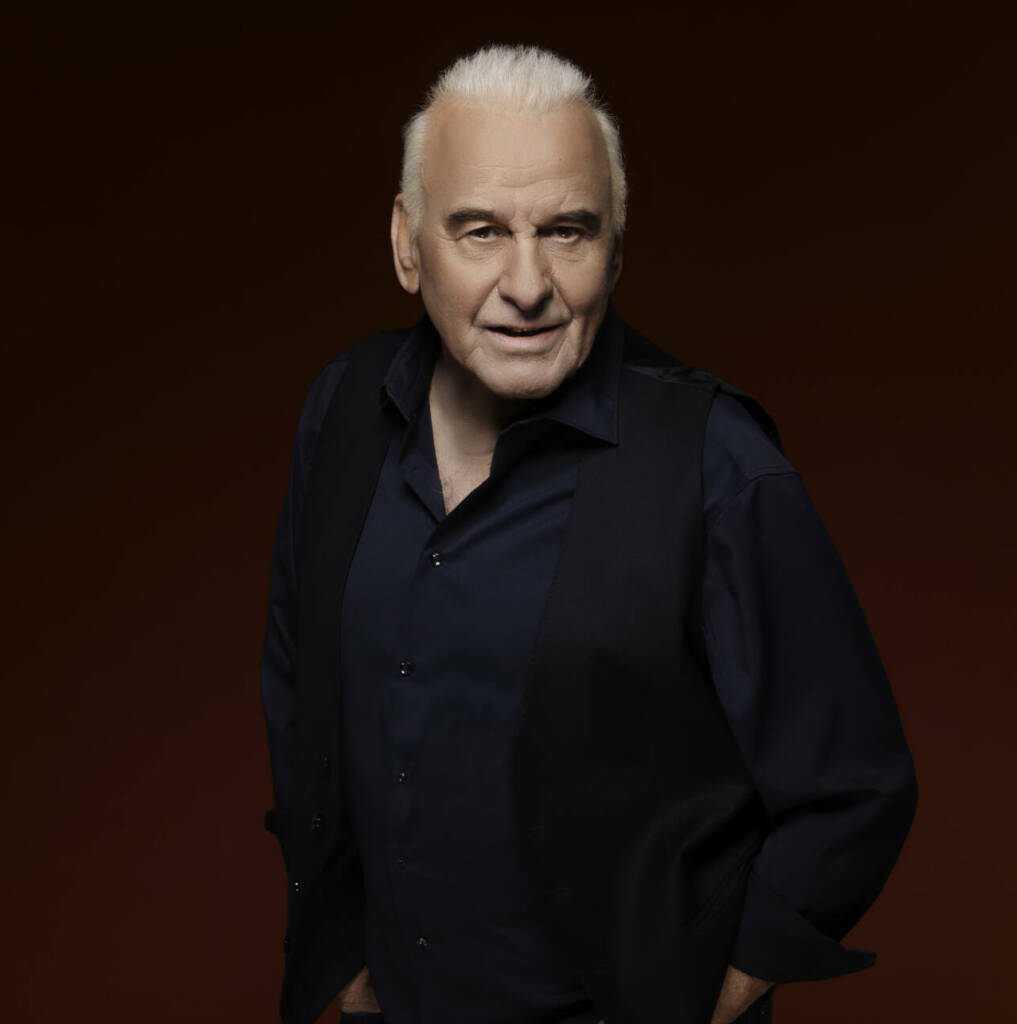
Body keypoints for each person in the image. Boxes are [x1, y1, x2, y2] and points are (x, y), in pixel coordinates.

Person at [260, 44, 918, 1024]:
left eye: (566, 230)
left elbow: (854, 784)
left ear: (614, 246)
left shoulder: (714, 462)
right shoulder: (346, 410)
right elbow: (296, 681)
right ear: (406, 243)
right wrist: (339, 950)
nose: (527, 284)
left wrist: (711, 993)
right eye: (480, 230)